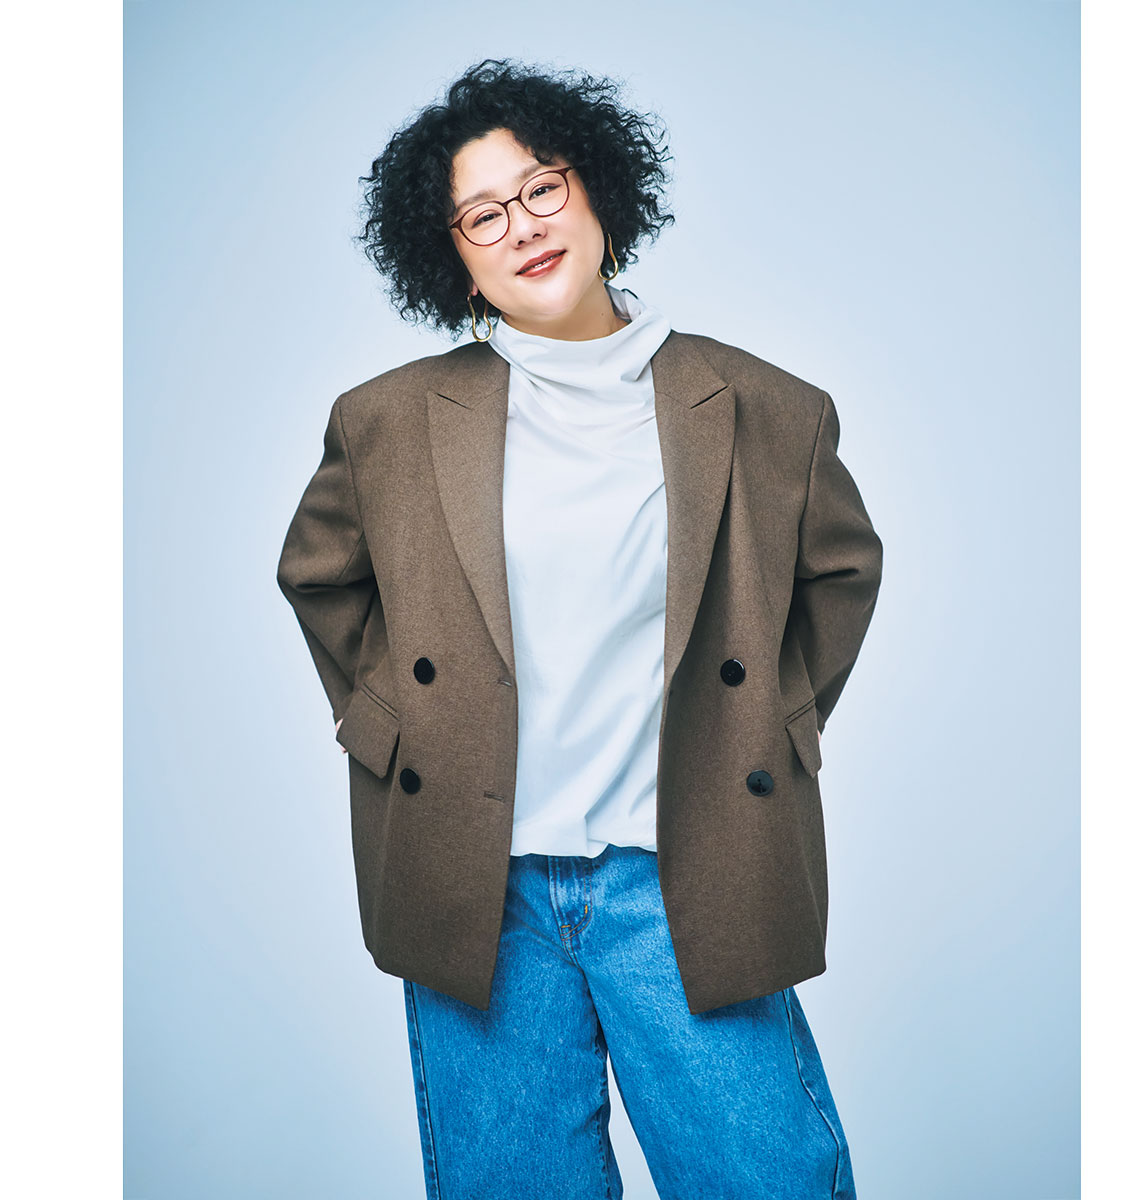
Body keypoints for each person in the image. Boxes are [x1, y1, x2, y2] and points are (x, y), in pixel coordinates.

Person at [277, 57, 883, 1200]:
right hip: (478, 888)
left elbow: (841, 572)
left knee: (767, 1179)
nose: (523, 227)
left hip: (684, 870)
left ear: (599, 187)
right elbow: (319, 575)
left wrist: (769, 724)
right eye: (483, 215)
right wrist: (397, 731)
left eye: (543, 187)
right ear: (454, 256)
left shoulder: (769, 409)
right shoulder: (386, 422)